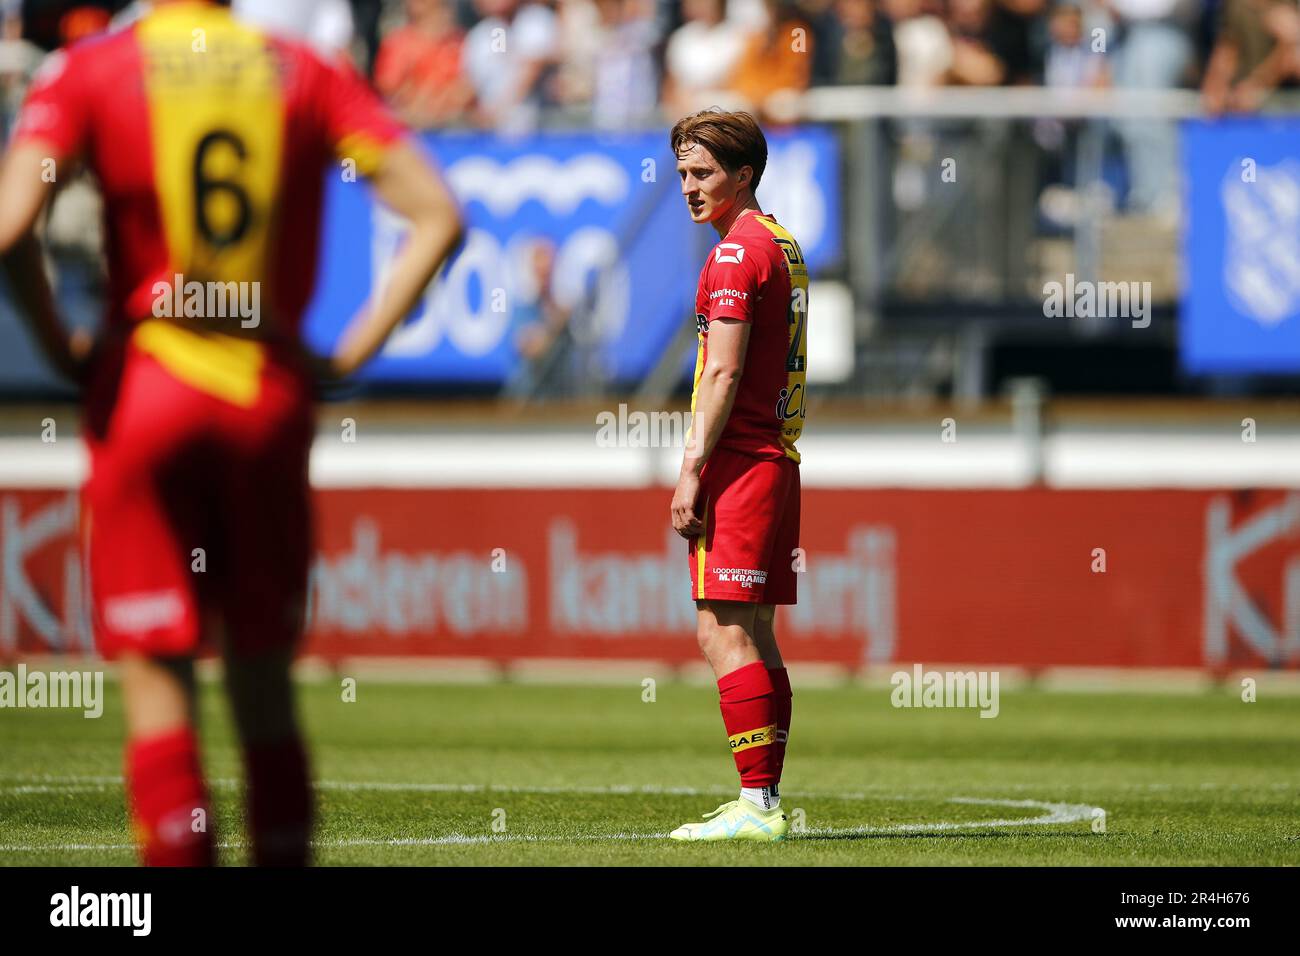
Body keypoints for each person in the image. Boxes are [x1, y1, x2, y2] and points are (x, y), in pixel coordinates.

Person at [0, 0, 464, 865]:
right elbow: (439, 214)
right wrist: (348, 351)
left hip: (145, 386)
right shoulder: (306, 70)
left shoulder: (91, 68)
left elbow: (11, 224)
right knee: (263, 685)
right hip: (266, 392)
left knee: (159, 678)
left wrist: (65, 347)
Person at [668, 108, 806, 843]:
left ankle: (757, 806)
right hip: (777, 460)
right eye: (683, 173)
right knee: (756, 633)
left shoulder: (731, 257)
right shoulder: (780, 241)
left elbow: (720, 370)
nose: (688, 188)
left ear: (742, 175)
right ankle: (767, 798)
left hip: (740, 464)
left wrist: (691, 469)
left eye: (703, 174)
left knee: (722, 634)